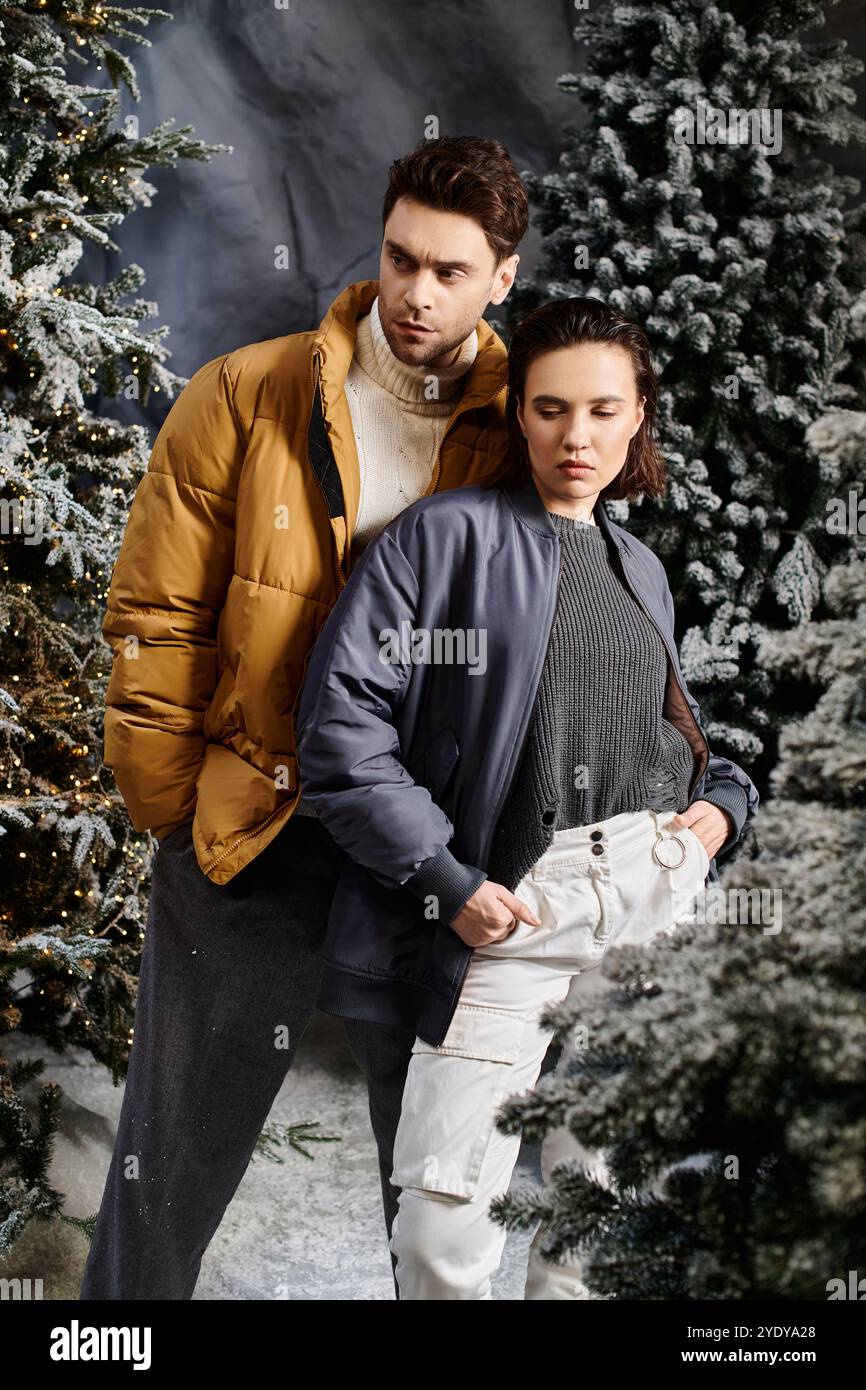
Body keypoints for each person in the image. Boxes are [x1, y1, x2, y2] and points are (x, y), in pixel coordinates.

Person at [80, 135, 529, 1300]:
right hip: (253, 816)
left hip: (425, 837)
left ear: (502, 279)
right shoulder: (247, 389)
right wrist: (171, 805)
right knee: (165, 1155)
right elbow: (156, 609)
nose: (415, 292)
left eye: (449, 271)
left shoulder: (526, 426)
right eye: (399, 259)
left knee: (428, 1172)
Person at [294, 295, 760, 1300]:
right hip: (512, 904)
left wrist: (720, 804)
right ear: (517, 414)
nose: (575, 436)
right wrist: (443, 875)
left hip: (649, 899)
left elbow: (673, 734)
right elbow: (338, 733)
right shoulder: (443, 537)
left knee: (600, 1210)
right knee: (438, 1227)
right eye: (549, 409)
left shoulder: (636, 565)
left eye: (602, 409)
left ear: (637, 415)